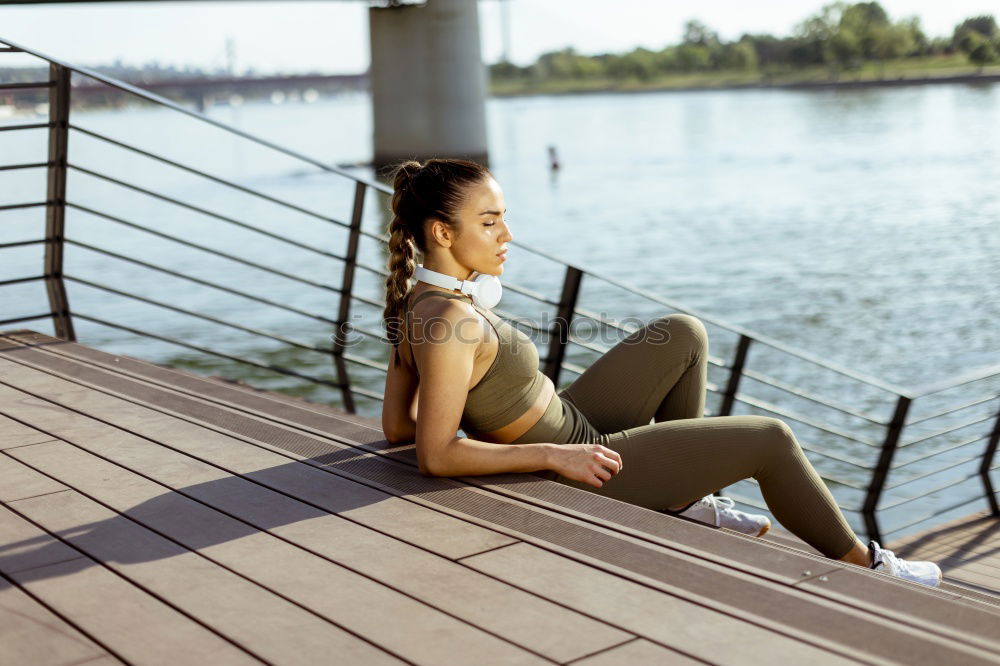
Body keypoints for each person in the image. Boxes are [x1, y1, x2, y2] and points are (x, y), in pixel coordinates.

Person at [379, 158, 943, 588]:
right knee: (771, 439)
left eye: (504, 218)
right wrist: (554, 456)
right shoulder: (451, 320)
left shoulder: (421, 305)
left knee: (681, 332)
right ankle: (869, 566)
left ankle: (682, 498)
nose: (507, 234)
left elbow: (397, 429)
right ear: (443, 234)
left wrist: (502, 424)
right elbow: (435, 456)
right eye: (490, 221)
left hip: (576, 426)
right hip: (584, 466)